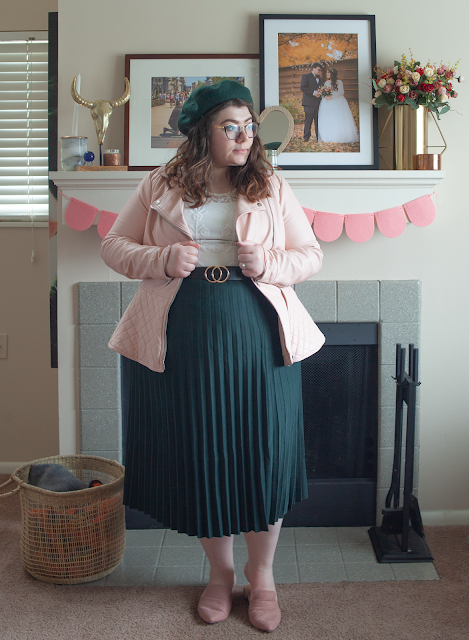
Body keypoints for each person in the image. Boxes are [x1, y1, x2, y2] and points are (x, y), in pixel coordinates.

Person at [100, 80, 325, 631]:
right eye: (232, 127)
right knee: (208, 455)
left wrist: (269, 260)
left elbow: (311, 254)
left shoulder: (271, 184)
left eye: (249, 127)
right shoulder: (160, 184)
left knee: (262, 454)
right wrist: (162, 257)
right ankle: (220, 576)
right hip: (186, 330)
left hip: (259, 329)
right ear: (202, 132)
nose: (246, 137)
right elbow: (113, 245)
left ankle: (263, 576)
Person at [318, 68, 359, 144]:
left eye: (328, 72)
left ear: (331, 74)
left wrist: (331, 97)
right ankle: (329, 136)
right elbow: (325, 91)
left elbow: (341, 92)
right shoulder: (326, 82)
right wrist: (324, 96)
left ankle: (338, 137)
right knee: (329, 119)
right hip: (327, 103)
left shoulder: (339, 82)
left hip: (337, 102)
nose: (326, 74)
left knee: (337, 119)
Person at [300, 62, 323, 142]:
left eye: (321, 70)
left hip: (319, 104)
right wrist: (313, 93)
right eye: (318, 70)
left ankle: (319, 137)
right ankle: (306, 137)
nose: (320, 72)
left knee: (318, 121)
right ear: (313, 68)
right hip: (309, 103)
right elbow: (303, 87)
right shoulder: (306, 76)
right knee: (308, 121)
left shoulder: (321, 79)